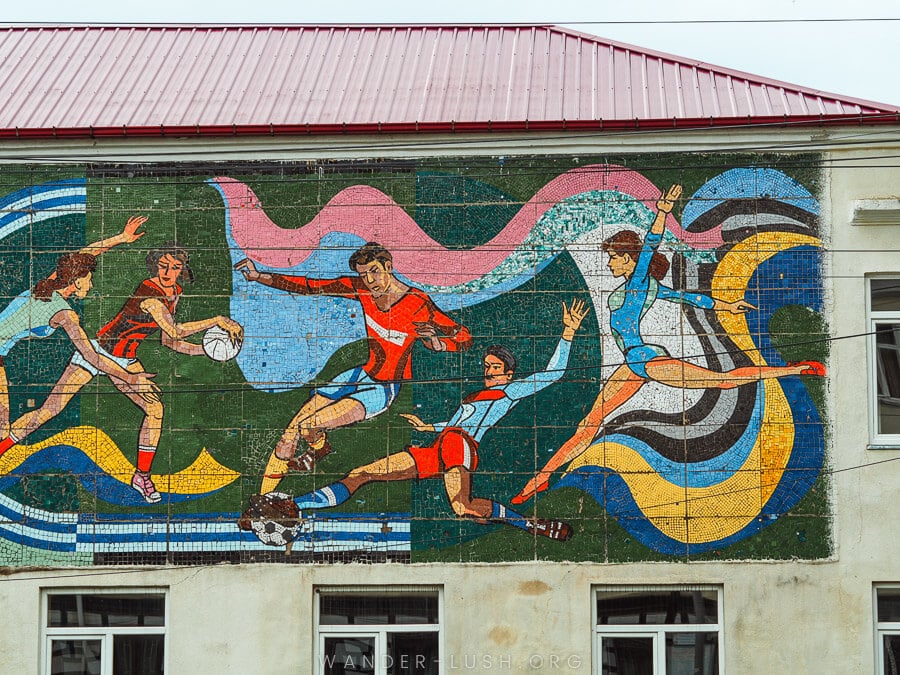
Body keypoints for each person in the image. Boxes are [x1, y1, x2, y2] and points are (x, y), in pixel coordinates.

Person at [511, 185, 826, 504]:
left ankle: (797, 368)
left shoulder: (637, 283)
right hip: (631, 366)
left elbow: (650, 246)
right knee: (588, 424)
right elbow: (687, 297)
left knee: (721, 381)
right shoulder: (645, 288)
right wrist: (723, 305)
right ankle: (541, 478)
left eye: (612, 258)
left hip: (648, 361)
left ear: (627, 259)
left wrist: (662, 212)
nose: (608, 264)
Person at [242, 299, 589, 542]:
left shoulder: (510, 392)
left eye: (495, 369)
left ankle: (528, 524)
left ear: (509, 374)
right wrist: (428, 427)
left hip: (459, 447)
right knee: (361, 474)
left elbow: (552, 374)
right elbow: (456, 422)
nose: (488, 372)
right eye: (486, 367)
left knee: (463, 508)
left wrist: (568, 333)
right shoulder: (476, 397)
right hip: (439, 444)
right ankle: (289, 506)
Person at [0, 241, 243, 504]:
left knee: (155, 410)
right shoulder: (149, 294)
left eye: (175, 267)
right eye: (163, 266)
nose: (167, 272)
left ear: (183, 269)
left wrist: (206, 351)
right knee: (49, 411)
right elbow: (174, 331)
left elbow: (168, 341)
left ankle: (142, 476)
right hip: (99, 352)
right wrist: (218, 320)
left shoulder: (175, 292)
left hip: (125, 359)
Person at [235, 242, 473, 497]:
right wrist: (259, 277)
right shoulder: (361, 289)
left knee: (308, 426)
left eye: (374, 271)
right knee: (289, 433)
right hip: (358, 374)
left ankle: (319, 447)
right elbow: (309, 287)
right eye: (363, 274)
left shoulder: (418, 303)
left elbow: (464, 338)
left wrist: (437, 343)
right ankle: (260, 502)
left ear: (388, 267)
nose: (369, 280)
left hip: (383, 388)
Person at [0, 216, 156, 443]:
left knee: (3, 425)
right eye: (89, 279)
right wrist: (128, 377)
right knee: (3, 429)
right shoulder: (65, 314)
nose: (91, 285)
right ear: (78, 279)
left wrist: (122, 238)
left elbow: (85, 254)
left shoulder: (50, 284)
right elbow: (90, 355)